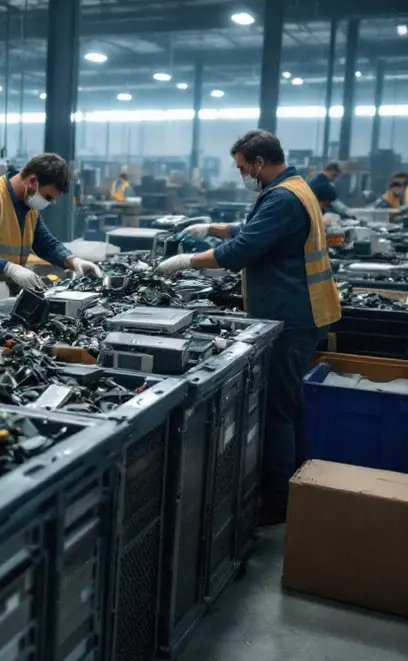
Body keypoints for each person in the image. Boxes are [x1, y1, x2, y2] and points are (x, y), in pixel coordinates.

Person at [159, 130, 341, 524]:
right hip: (300, 311)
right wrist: (212, 229)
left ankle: (276, 505)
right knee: (289, 406)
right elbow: (255, 232)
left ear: (259, 162)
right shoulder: (294, 187)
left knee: (276, 412)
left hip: (291, 315)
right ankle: (295, 485)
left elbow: (243, 251)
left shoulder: (282, 197)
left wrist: (186, 263)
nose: (242, 174)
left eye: (243, 167)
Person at [0, 153, 102, 299]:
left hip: (0, 297)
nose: (49, 203)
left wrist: (73, 261)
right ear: (32, 181)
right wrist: (9, 268)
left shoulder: (29, 207)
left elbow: (45, 243)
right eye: (47, 196)